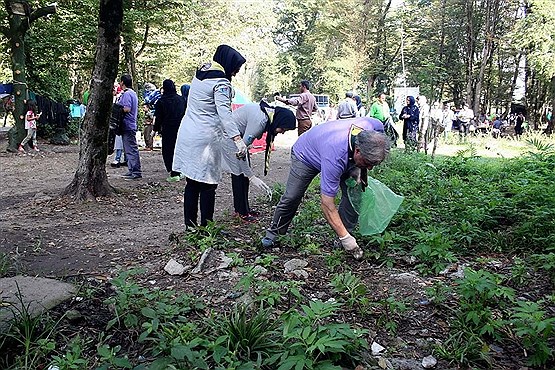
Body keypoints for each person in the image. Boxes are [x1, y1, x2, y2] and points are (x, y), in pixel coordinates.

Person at [260, 117, 390, 260]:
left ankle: (343, 237)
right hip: (306, 155)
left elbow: (370, 153)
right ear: (358, 151)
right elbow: (327, 204)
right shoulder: (335, 157)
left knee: (355, 193)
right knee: (292, 196)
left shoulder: (375, 127)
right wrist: (346, 239)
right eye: (368, 162)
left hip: (343, 153)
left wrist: (361, 169)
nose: (370, 167)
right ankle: (274, 234)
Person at [173, 44, 247, 228]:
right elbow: (224, 114)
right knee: (207, 185)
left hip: (187, 133)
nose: (236, 73)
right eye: (236, 69)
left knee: (192, 183)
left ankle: (190, 226)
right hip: (205, 138)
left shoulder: (201, 73)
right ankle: (207, 228)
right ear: (228, 64)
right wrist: (237, 139)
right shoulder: (221, 83)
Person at [222, 101, 297, 222]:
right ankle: (241, 212)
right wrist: (252, 176)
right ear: (279, 121)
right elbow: (240, 153)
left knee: (244, 175)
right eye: (283, 128)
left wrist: (249, 174)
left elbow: (244, 146)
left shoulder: (267, 115)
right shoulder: (260, 122)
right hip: (228, 136)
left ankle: (244, 209)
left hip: (238, 138)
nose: (282, 132)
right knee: (239, 174)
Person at [152, 79, 186, 182]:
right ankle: (181, 170)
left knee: (168, 151)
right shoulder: (181, 100)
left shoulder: (161, 101)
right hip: (181, 129)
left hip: (168, 129)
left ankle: (173, 172)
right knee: (180, 149)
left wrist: (155, 129)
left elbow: (158, 118)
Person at [118, 74, 142, 180]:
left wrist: (117, 110)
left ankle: (136, 172)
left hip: (128, 125)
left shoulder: (127, 94)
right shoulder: (132, 93)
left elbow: (127, 108)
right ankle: (131, 169)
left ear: (122, 82)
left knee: (131, 149)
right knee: (128, 149)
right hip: (128, 125)